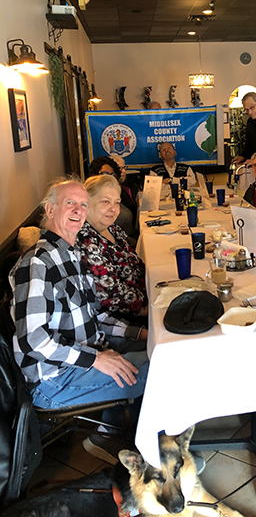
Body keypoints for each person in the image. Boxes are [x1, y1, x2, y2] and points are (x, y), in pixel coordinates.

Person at [9, 179, 149, 464]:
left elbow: (96, 316)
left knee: (158, 350)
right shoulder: (37, 262)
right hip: (53, 382)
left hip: (85, 353)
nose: (78, 210)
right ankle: (126, 442)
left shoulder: (70, 255)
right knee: (161, 371)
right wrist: (97, 359)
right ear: (49, 209)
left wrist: (142, 333)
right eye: (69, 203)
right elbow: (33, 339)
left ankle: (122, 432)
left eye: (83, 204)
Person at [77, 175, 147, 320]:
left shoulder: (112, 229)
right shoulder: (86, 241)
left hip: (144, 294)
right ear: (86, 203)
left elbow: (135, 264)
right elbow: (111, 295)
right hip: (122, 319)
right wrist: (150, 308)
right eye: (105, 202)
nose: (113, 209)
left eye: (117, 203)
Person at [89, 156, 138, 241]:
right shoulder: (91, 201)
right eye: (104, 174)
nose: (112, 208)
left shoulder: (117, 192)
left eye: (112, 175)